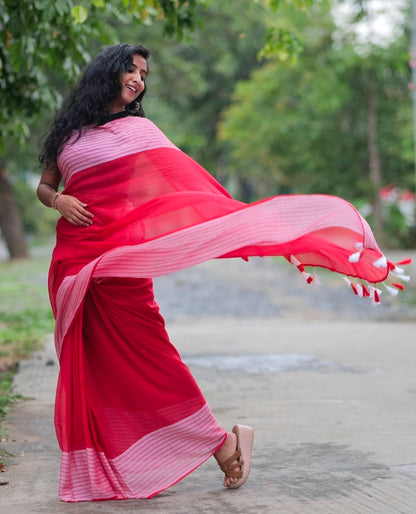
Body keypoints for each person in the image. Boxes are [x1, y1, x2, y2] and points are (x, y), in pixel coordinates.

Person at [38, 43, 396, 502]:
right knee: (93, 365)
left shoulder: (140, 132)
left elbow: (180, 184)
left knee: (154, 360)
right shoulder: (66, 133)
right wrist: (59, 200)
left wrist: (239, 226)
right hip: (75, 261)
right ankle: (108, 462)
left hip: (122, 261)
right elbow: (46, 186)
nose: (140, 80)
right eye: (133, 70)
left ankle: (221, 444)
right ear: (107, 72)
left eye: (145, 74)